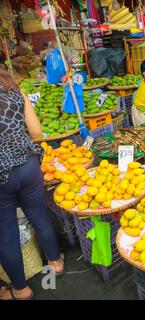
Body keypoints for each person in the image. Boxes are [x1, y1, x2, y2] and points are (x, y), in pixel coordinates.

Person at [0, 70, 64, 300]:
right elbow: (36, 131)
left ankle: (21, 289)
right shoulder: (16, 91)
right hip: (28, 166)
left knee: (5, 234)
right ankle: (55, 262)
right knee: (38, 215)